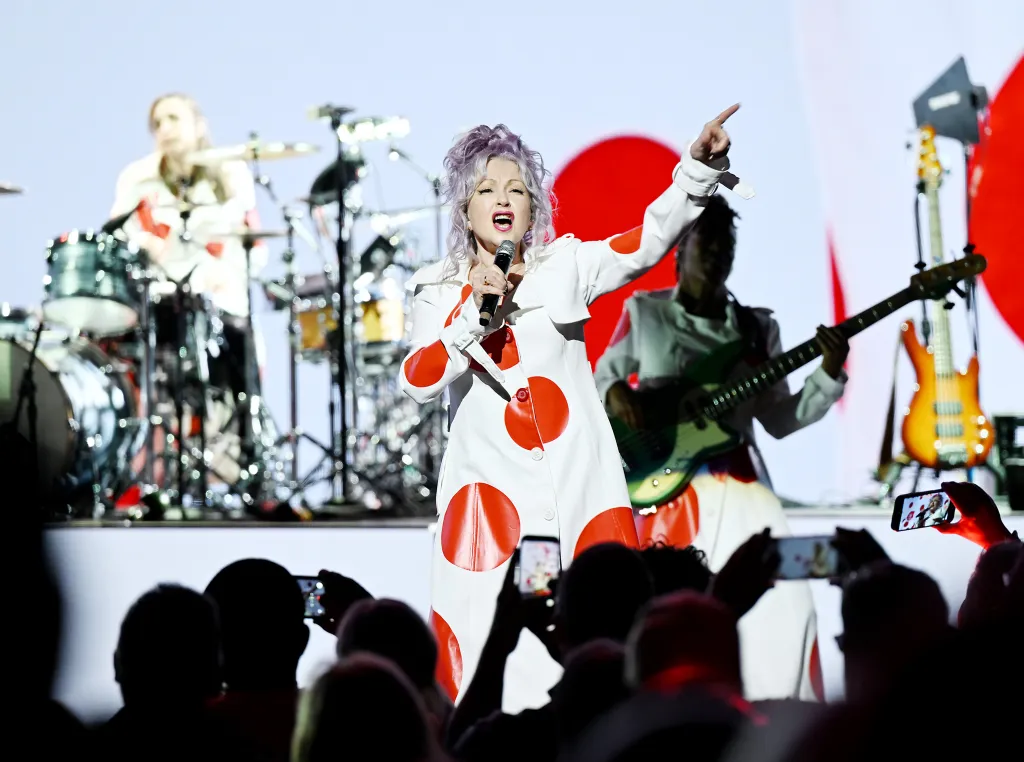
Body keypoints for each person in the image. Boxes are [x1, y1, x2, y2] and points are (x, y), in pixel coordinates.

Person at [398, 105, 747, 711]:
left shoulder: (569, 265)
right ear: (464, 207)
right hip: (488, 501)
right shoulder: (438, 288)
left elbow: (647, 241)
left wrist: (696, 171)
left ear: (534, 207)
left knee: (598, 638)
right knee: (487, 642)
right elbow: (417, 379)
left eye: (516, 188)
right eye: (485, 188)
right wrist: (470, 318)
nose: (502, 198)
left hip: (578, 489)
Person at [592, 194, 848, 701]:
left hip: (742, 488)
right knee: (670, 607)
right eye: (707, 244)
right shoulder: (644, 313)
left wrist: (827, 374)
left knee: (786, 602)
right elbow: (602, 380)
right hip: (665, 489)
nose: (717, 255)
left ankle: (774, 716)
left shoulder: (757, 328)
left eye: (726, 246)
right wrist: (619, 394)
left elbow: (778, 419)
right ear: (679, 251)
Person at [109, 93, 267, 484]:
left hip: (222, 303)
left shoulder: (229, 173)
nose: (165, 130)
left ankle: (243, 468)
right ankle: (152, 471)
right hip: (161, 303)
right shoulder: (137, 179)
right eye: (157, 123)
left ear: (199, 125)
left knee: (240, 348)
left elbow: (253, 245)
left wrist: (222, 272)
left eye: (174, 119)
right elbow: (118, 240)